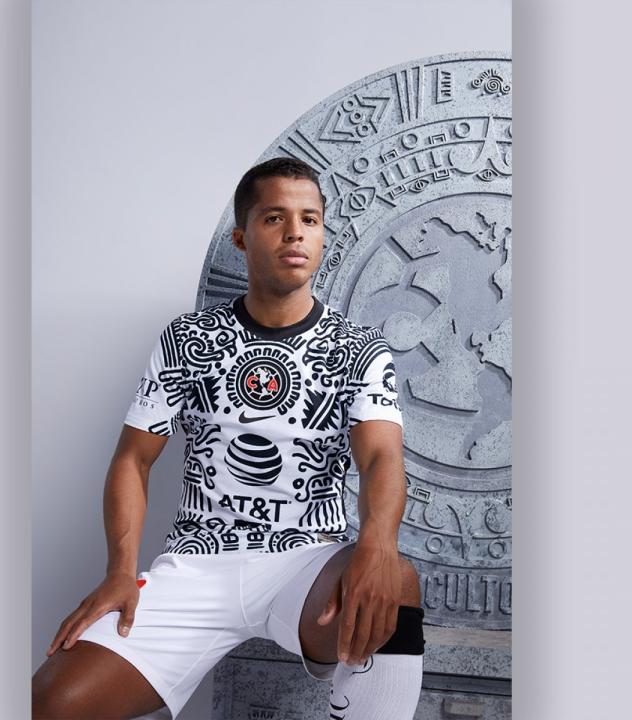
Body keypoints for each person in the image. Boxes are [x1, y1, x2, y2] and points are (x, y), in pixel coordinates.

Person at [32, 157, 425, 720]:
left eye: (309, 219)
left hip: (305, 563)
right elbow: (133, 460)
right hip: (197, 566)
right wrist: (120, 570)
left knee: (397, 579)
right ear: (241, 238)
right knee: (51, 702)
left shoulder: (359, 349)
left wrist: (378, 544)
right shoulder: (187, 339)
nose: (295, 233)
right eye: (274, 218)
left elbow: (382, 457)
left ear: (321, 235)